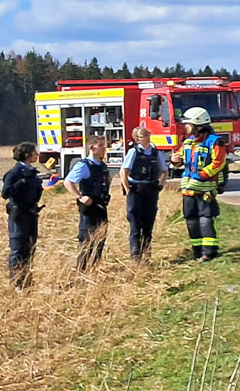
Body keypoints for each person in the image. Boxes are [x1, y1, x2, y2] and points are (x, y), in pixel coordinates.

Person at [171, 107, 226, 261]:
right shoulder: (188, 142)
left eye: (188, 123)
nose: (185, 126)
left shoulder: (215, 142)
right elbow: (180, 159)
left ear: (198, 123)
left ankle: (209, 252)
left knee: (205, 219)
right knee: (191, 219)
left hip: (205, 189)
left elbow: (219, 163)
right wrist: (175, 161)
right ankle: (197, 251)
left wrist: (201, 176)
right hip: (188, 190)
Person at [63, 136, 112, 271]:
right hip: (89, 208)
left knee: (100, 240)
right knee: (87, 240)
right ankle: (82, 270)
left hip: (102, 207)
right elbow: (68, 182)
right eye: (101, 145)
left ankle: (94, 268)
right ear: (92, 148)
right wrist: (80, 196)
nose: (104, 148)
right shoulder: (84, 165)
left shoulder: (102, 165)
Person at [120, 126, 168, 262]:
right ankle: (135, 258)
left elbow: (165, 171)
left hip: (150, 190)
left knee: (148, 226)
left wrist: (161, 185)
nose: (145, 138)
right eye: (142, 136)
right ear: (137, 139)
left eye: (146, 135)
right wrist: (128, 190)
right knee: (135, 226)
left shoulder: (155, 153)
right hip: (136, 190)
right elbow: (123, 172)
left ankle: (146, 257)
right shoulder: (133, 152)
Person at [2, 142, 44, 288]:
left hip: (31, 214)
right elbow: (5, 193)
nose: (37, 155)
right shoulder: (15, 173)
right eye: (35, 152)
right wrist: (21, 181)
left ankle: (26, 279)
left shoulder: (33, 172)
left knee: (30, 248)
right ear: (27, 155)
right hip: (19, 215)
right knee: (18, 248)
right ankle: (16, 282)